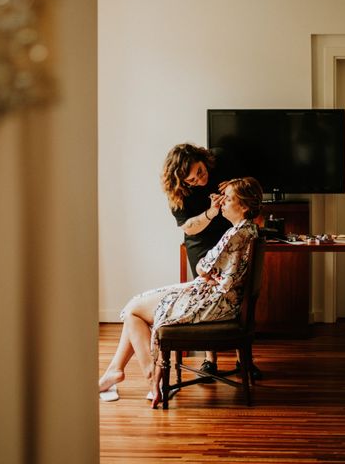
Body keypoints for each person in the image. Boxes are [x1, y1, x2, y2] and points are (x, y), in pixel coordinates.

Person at [99, 177, 263, 407]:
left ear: (244, 206)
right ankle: (115, 371)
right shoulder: (249, 230)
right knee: (134, 307)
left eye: (229, 198)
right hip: (217, 297)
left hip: (213, 302)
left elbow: (201, 267)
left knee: (133, 311)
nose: (223, 201)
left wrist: (209, 272)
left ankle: (148, 378)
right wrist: (210, 273)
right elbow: (209, 270)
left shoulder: (235, 234)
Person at [161, 143, 262, 380]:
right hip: (202, 239)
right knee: (209, 291)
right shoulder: (177, 194)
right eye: (192, 180)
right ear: (182, 182)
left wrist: (235, 183)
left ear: (202, 159)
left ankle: (244, 359)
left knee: (238, 291)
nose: (199, 180)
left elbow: (251, 181)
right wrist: (210, 212)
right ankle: (210, 360)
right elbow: (188, 226)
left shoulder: (223, 156)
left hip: (234, 227)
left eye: (200, 172)